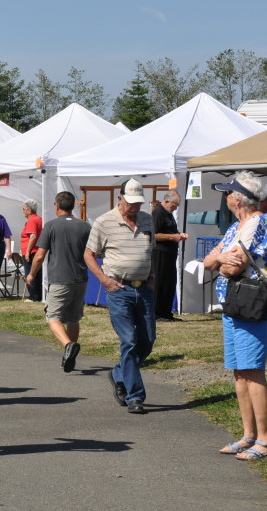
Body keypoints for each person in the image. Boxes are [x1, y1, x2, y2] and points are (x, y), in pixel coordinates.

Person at [203, 172, 267, 461]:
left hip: (251, 303)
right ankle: (249, 435)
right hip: (234, 303)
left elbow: (232, 267)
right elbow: (209, 260)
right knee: (239, 371)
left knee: (252, 370)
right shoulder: (237, 226)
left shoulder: (257, 224)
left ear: (238, 199)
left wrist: (220, 260)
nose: (225, 198)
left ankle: (265, 440)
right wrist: (219, 258)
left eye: (228, 193)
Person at [83, 178, 156, 415]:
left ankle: (119, 373)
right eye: (130, 202)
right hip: (119, 290)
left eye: (138, 203)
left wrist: (151, 276)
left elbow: (150, 250)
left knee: (147, 341)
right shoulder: (104, 222)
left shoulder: (147, 219)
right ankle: (135, 396)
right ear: (120, 198)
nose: (134, 207)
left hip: (143, 289)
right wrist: (104, 280)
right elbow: (88, 254)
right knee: (129, 341)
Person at [28, 191, 91, 373]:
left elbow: (40, 255)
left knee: (53, 316)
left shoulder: (51, 226)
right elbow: (92, 252)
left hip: (60, 279)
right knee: (73, 318)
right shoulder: (85, 226)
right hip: (80, 279)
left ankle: (68, 345)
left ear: (57, 206)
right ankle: (69, 355)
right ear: (73, 206)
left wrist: (32, 274)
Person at [151, 190, 188, 321]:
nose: (175, 208)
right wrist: (173, 237)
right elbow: (153, 235)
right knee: (159, 283)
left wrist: (178, 235)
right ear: (166, 201)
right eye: (174, 205)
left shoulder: (168, 213)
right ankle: (157, 314)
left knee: (169, 283)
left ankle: (166, 313)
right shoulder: (158, 213)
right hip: (160, 253)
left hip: (170, 254)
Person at [20, 198, 44, 301]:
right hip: (36, 250)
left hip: (32, 251)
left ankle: (33, 296)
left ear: (29, 210)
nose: (23, 211)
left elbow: (33, 236)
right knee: (37, 273)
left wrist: (27, 251)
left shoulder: (32, 220)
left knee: (30, 272)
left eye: (24, 209)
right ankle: (38, 295)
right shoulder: (39, 219)